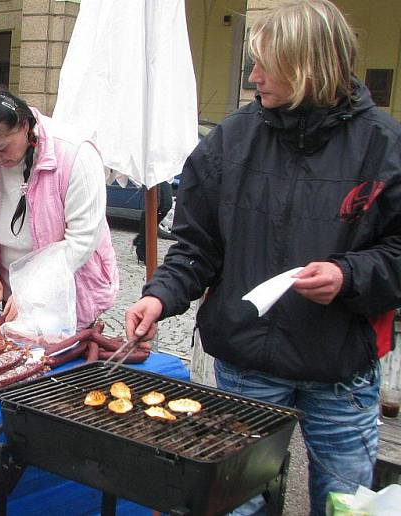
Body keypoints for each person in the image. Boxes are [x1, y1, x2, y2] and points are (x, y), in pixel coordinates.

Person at [124, 1, 401, 514]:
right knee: (238, 504)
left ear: (308, 66)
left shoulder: (384, 145)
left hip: (339, 367)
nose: (251, 77)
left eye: (264, 64)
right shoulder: (231, 140)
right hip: (248, 365)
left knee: (347, 505)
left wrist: (349, 273)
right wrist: (160, 296)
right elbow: (196, 246)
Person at [0, 85, 119, 328]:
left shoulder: (75, 153)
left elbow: (82, 239)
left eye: (1, 149)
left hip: (67, 296)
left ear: (23, 126)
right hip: (9, 297)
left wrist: (32, 293)